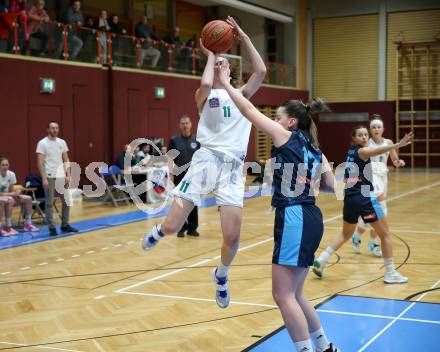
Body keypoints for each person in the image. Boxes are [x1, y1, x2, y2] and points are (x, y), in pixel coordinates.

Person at [142, 16, 266, 309]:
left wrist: (245, 37)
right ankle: (160, 231)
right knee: (173, 228)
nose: (221, 64)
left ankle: (221, 276)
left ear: (232, 72)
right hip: (205, 161)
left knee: (233, 238)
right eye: (217, 61)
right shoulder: (204, 96)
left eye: (225, 62)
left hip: (233, 168)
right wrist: (211, 53)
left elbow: (261, 70)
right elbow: (206, 83)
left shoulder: (243, 96)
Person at [217, 60, 339, 351]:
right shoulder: (315, 149)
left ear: (291, 122)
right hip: (313, 216)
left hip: (295, 216)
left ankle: (306, 350)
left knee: (283, 295)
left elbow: (247, 110)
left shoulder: (286, 137)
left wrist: (225, 83)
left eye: (279, 116)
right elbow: (332, 186)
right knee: (296, 293)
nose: (276, 120)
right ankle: (324, 347)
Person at [313, 126, 413, 284]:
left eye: (366, 135)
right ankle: (390, 273)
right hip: (364, 199)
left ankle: (323, 259)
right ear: (354, 138)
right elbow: (376, 151)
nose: (364, 137)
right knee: (385, 235)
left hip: (350, 198)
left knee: (346, 234)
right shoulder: (362, 151)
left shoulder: (350, 152)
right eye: (360, 135)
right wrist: (398, 145)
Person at [351, 116, 406, 257]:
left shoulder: (388, 143)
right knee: (376, 210)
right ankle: (373, 243)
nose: (376, 129)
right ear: (370, 130)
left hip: (382, 178)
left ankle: (359, 237)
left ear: (383, 129)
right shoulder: (366, 144)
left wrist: (398, 162)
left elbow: (394, 159)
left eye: (378, 127)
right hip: (369, 178)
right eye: (373, 127)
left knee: (376, 211)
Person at [36, 121, 78, 236]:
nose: (55, 130)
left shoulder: (62, 142)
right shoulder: (42, 143)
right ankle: (52, 227)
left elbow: (66, 159)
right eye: (52, 128)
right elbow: (40, 162)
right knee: (49, 203)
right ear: (48, 129)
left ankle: (65, 225)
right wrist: (43, 178)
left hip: (61, 176)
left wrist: (68, 174)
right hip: (49, 176)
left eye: (56, 128)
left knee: (67, 200)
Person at [168, 115, 200, 238]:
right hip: (180, 176)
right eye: (182, 123)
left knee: (193, 203)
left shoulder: (197, 140)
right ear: (179, 125)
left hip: (194, 177)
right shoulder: (174, 140)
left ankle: (192, 228)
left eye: (187, 123)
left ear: (191, 124)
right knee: (180, 203)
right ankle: (181, 228)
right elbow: (170, 159)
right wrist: (170, 175)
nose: (185, 125)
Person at [0, 157, 39, 235]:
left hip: (8, 196)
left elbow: (11, 190)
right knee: (10, 200)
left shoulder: (11, 174)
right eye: (3, 165)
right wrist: (12, 194)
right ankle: (8, 227)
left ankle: (28, 224)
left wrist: (16, 193)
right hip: (3, 198)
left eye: (7, 165)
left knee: (28, 198)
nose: (5, 167)